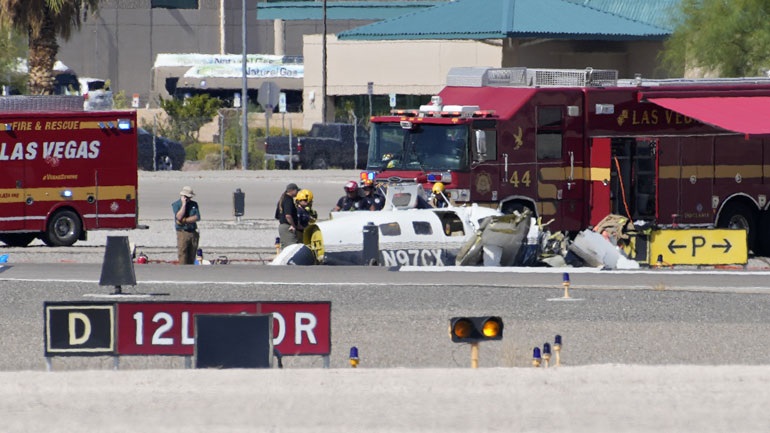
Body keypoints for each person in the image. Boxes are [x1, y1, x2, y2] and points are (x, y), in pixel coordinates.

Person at [171, 186, 200, 265]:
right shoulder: (176, 204)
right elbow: (179, 216)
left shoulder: (194, 204)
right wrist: (183, 205)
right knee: (183, 253)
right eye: (186, 197)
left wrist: (184, 220)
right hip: (182, 232)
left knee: (192, 254)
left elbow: (197, 217)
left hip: (193, 231)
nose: (188, 199)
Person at [275, 183, 300, 248]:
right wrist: (293, 225)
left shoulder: (282, 199)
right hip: (288, 227)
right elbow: (288, 216)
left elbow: (277, 216)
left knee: (285, 247)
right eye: (297, 191)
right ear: (292, 191)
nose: (298, 193)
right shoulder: (288, 200)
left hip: (282, 227)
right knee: (292, 247)